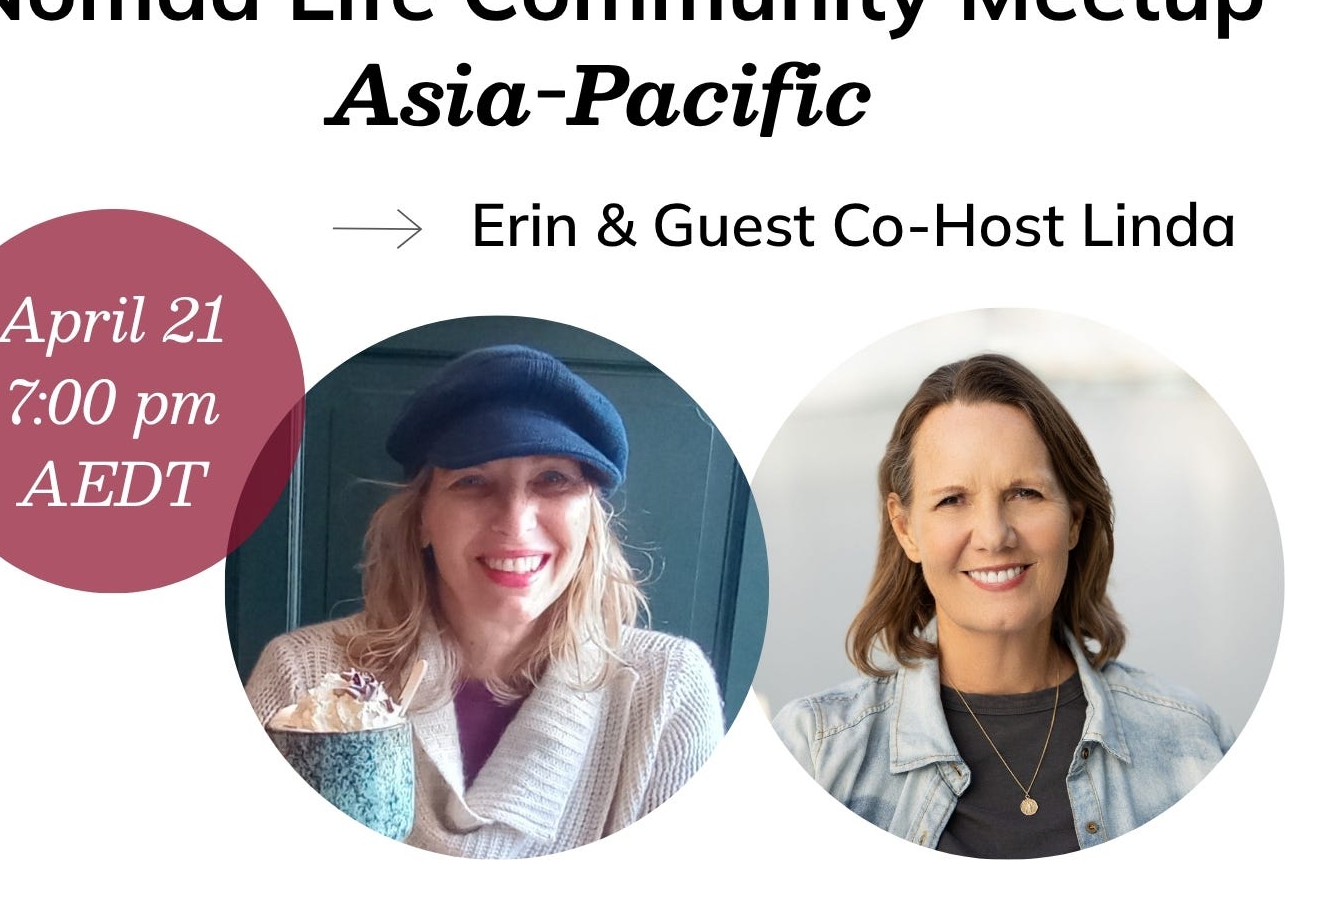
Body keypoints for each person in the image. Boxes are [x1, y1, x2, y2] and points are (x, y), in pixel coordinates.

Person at [246, 344, 724, 858]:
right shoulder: (301, 677)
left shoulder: (665, 694)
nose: (516, 521)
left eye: (554, 480)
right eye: (473, 481)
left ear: (591, 518)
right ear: (423, 518)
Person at [772, 353, 1233, 857]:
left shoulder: (1193, 744)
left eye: (1025, 493)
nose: (994, 535)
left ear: (1074, 519)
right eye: (952, 500)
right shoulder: (814, 754)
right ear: (906, 530)